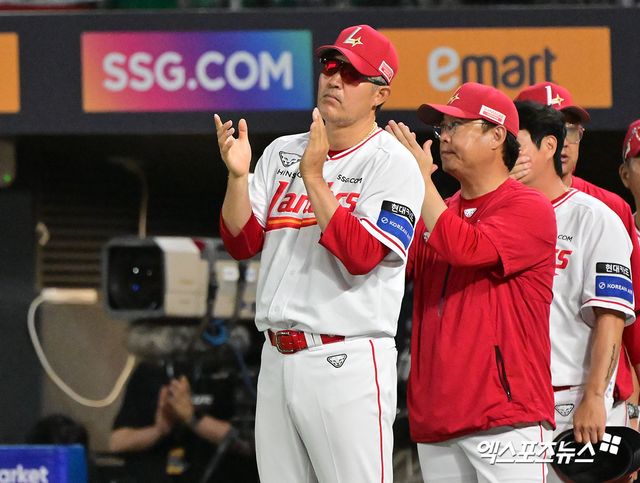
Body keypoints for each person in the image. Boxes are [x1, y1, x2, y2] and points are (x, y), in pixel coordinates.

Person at [215, 24, 424, 483]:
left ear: (380, 94)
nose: (334, 79)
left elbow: (362, 255)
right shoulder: (281, 151)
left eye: (352, 74)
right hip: (276, 357)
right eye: (331, 66)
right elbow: (241, 242)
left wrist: (314, 177)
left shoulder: (392, 163)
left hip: (345, 357)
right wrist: (237, 177)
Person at [387, 82, 557, 482]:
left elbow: (466, 248)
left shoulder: (529, 206)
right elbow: (384, 266)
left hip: (507, 417)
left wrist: (420, 181)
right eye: (442, 128)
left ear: (497, 135)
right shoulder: (438, 212)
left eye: (455, 126)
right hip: (437, 420)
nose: (443, 137)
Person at [513, 101, 635, 481]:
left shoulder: (595, 217)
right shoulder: (500, 218)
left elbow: (611, 315)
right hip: (515, 404)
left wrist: (595, 396)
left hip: (575, 398)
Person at [109, 360, 256, 483]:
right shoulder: (149, 370)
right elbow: (117, 442)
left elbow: (250, 441)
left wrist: (192, 417)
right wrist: (158, 430)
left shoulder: (235, 370)